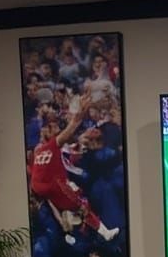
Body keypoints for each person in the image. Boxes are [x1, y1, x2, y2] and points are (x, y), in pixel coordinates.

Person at [30, 94, 119, 243]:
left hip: (40, 187)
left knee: (74, 200)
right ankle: (101, 232)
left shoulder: (40, 150)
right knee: (81, 205)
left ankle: (70, 229)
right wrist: (81, 112)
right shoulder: (52, 145)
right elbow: (73, 125)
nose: (57, 129)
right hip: (52, 184)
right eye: (52, 127)